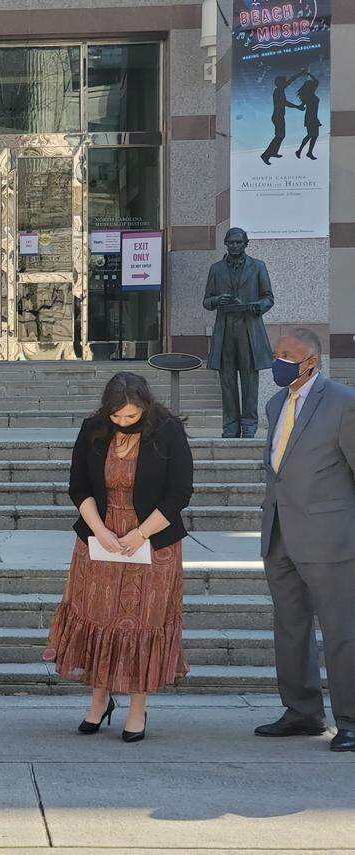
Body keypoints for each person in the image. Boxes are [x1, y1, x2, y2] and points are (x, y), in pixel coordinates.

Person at [44, 372, 193, 742]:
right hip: (101, 538)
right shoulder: (93, 427)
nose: (124, 422)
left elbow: (180, 492)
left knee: (141, 623)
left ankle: (137, 708)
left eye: (131, 416)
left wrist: (139, 534)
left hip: (153, 539)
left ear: (145, 405)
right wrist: (101, 531)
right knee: (99, 617)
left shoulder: (168, 430)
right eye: (117, 417)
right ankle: (98, 699)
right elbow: (77, 485)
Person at [255, 329, 355, 752]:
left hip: (330, 538)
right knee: (290, 628)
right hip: (280, 535)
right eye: (276, 353)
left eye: (286, 355)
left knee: (342, 631)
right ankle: (302, 712)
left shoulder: (344, 403)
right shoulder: (276, 403)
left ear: (311, 361)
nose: (277, 362)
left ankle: (350, 720)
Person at [203, 227, 275, 438]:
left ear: (246, 244)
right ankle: (230, 426)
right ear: (225, 243)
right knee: (227, 380)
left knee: (249, 380)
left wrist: (254, 306)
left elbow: (268, 297)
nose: (234, 246)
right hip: (225, 329)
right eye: (231, 242)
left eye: (238, 242)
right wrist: (217, 300)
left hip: (248, 328)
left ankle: (249, 426)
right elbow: (207, 301)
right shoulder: (216, 269)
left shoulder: (258, 267)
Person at [261, 69, 307, 165]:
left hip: (279, 117)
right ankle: (265, 155)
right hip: (277, 117)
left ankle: (273, 152)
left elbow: (291, 80)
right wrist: (297, 107)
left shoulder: (280, 89)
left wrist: (300, 73)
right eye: (284, 82)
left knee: (281, 136)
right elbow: (285, 103)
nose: (286, 83)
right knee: (279, 136)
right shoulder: (278, 91)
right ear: (280, 83)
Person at [295, 73, 322, 160]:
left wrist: (308, 74)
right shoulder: (308, 95)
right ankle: (299, 150)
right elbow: (316, 82)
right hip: (310, 117)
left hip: (313, 117)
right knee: (310, 134)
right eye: (311, 84)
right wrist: (309, 74)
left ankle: (309, 152)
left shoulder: (309, 94)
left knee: (315, 135)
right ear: (309, 87)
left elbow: (316, 82)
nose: (313, 85)